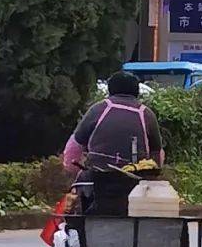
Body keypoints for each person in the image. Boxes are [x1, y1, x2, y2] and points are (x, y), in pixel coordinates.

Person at [63, 71, 165, 215]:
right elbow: (157, 156)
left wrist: (71, 170)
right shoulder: (146, 114)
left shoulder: (98, 109)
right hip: (136, 185)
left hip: (95, 182)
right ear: (136, 91)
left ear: (110, 90)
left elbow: (74, 147)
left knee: (75, 205)